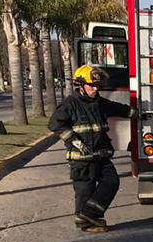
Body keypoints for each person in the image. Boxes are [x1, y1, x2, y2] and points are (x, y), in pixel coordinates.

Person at [49, 65, 129, 233]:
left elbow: (117, 108)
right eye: (91, 86)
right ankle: (85, 223)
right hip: (81, 159)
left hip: (100, 155)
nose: (95, 89)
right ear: (81, 86)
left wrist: (135, 112)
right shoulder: (70, 104)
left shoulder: (99, 102)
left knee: (112, 181)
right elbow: (55, 124)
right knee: (85, 190)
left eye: (97, 86)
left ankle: (89, 215)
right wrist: (74, 142)